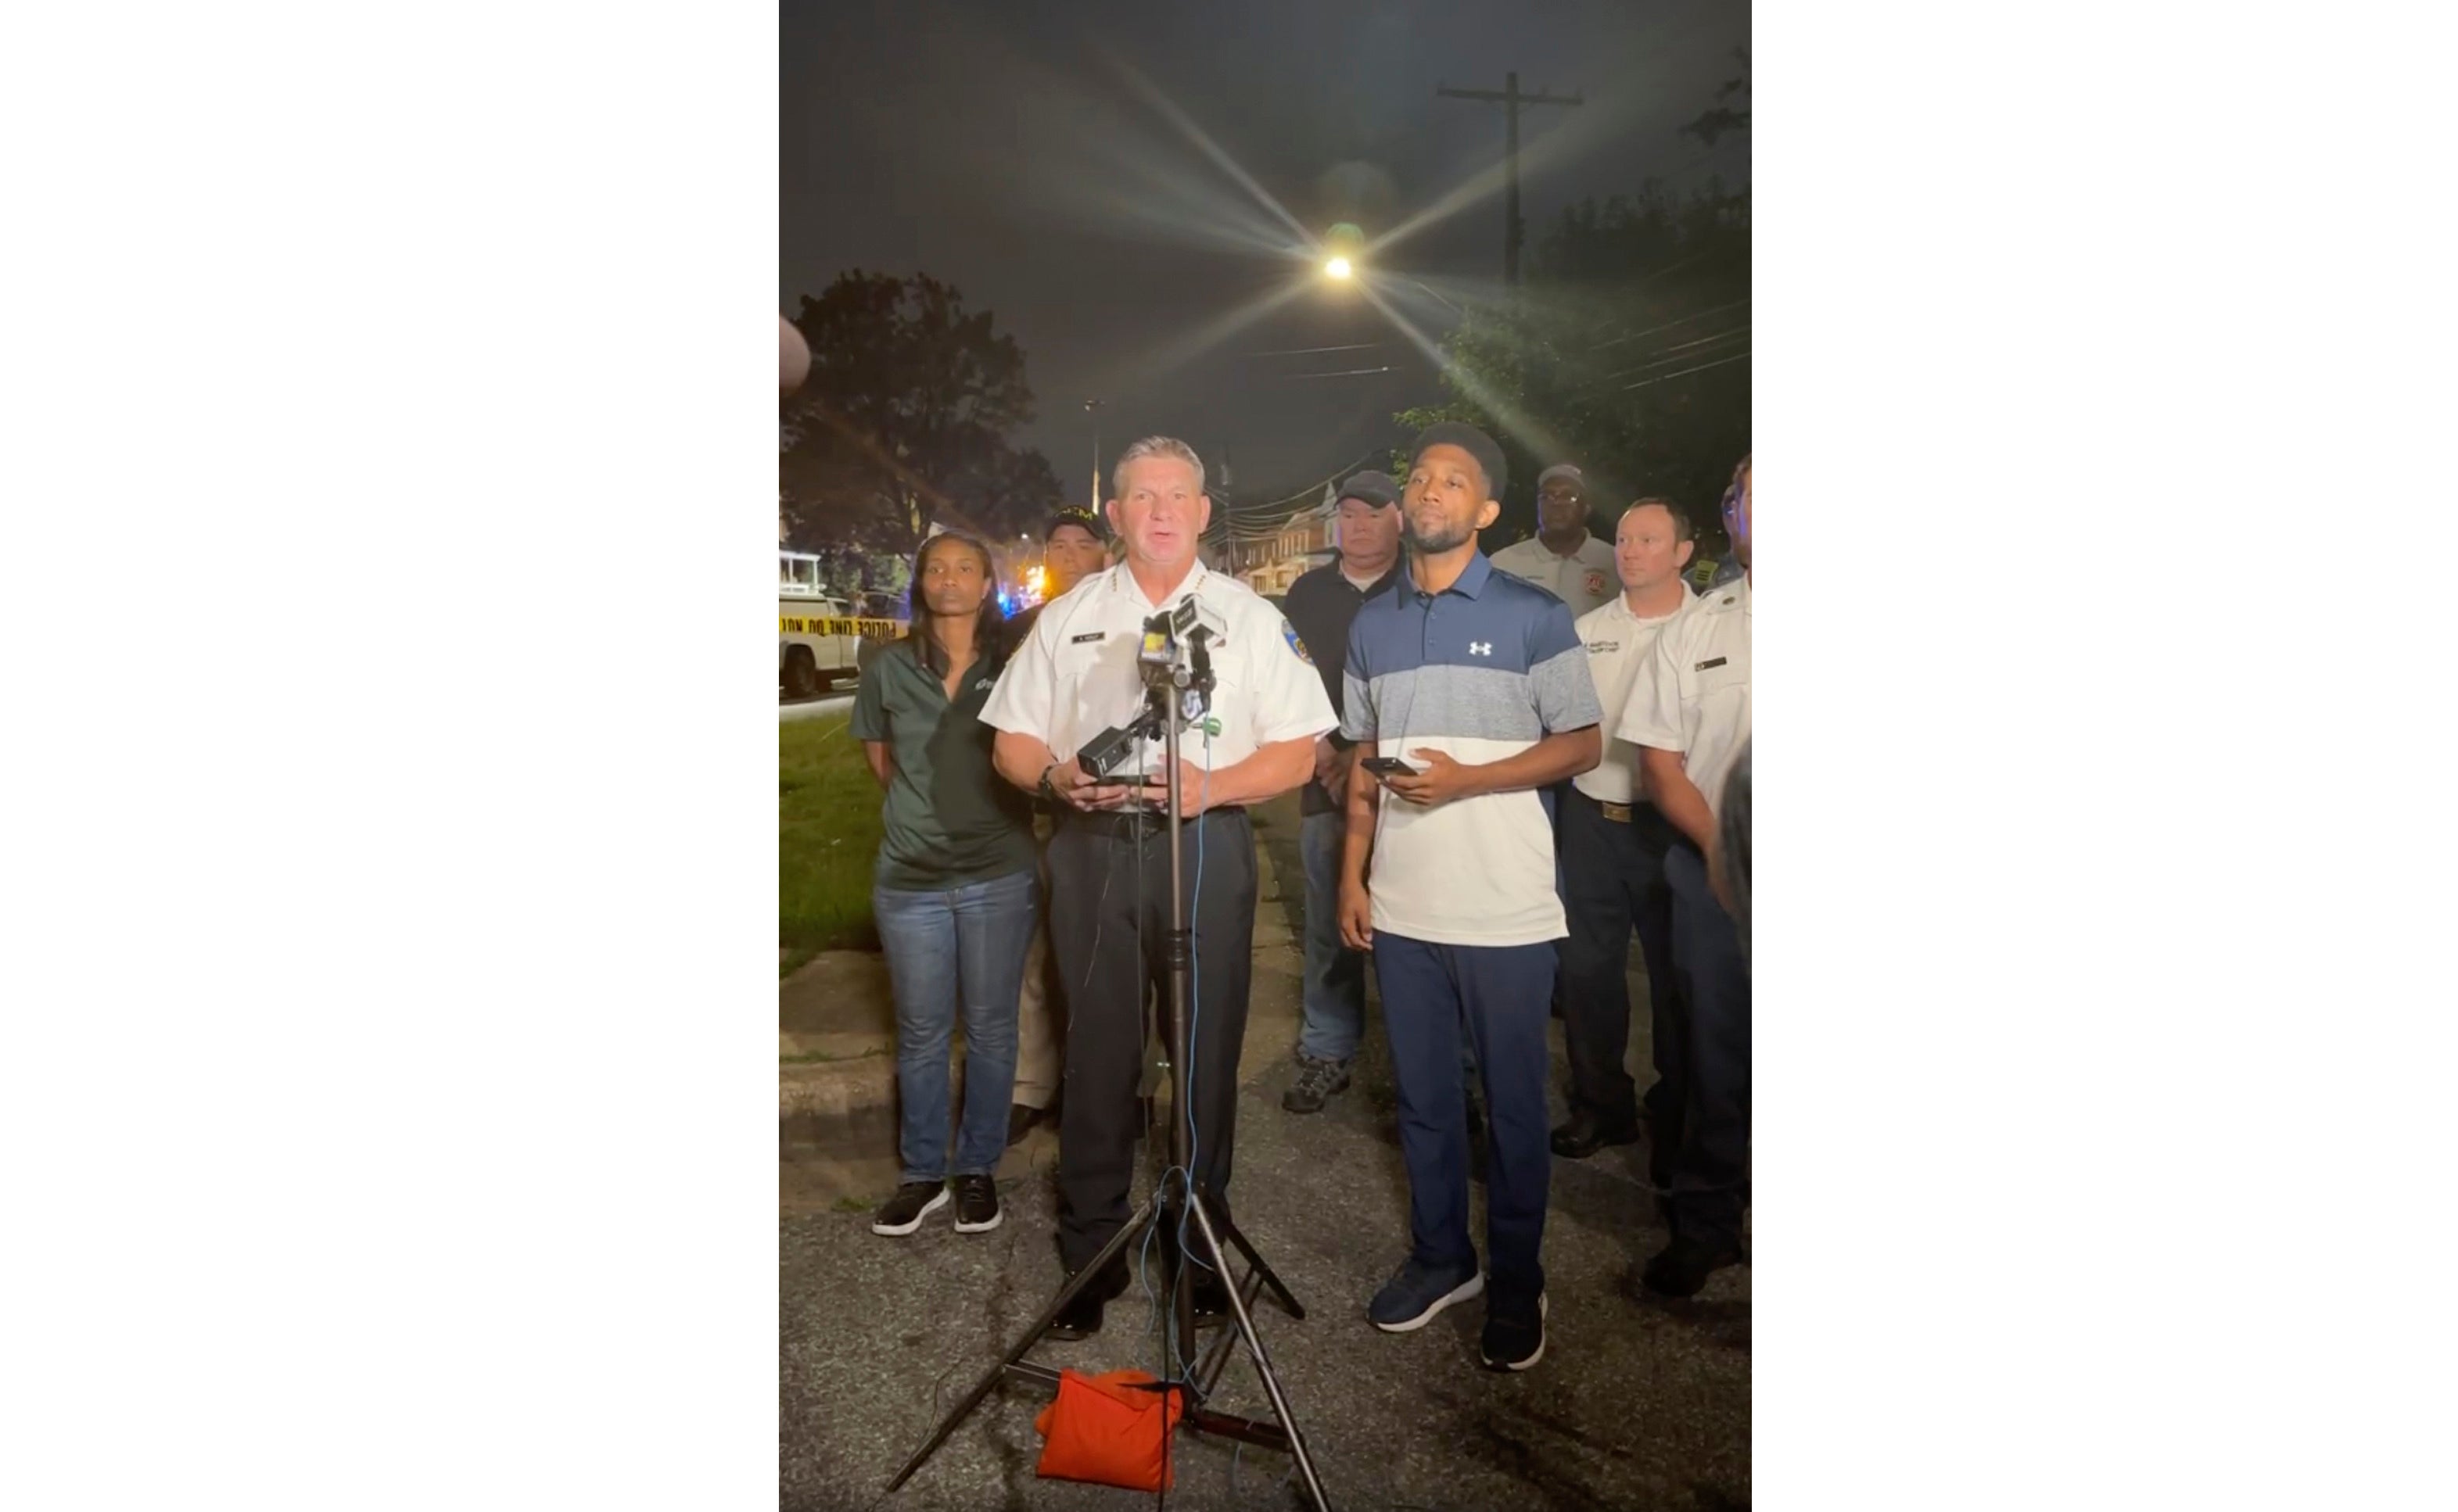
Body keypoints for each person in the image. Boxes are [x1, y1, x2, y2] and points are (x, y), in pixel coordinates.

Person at [982, 436, 1337, 1339]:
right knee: (1096, 1052)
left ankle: (1200, 1240)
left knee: (1203, 1048)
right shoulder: (1066, 616)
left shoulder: (1247, 616)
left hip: (1203, 843)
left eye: (1179, 494)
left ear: (1204, 511)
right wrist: (1056, 776)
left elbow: (1297, 749)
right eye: (1143, 495)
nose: (1162, 509)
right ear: (1117, 512)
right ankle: (1092, 1247)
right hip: (1093, 846)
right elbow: (1011, 741)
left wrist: (1209, 784)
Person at [1340, 421, 1602, 1373]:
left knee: (1516, 1107)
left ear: (1486, 510)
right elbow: (1362, 763)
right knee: (1422, 1100)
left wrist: (1469, 781)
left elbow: (1582, 744)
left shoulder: (1535, 614)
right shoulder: (1373, 624)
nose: (1430, 488)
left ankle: (1517, 1278)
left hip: (1504, 907)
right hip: (1405, 905)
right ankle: (1442, 1255)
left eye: (1453, 480)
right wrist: (1352, 873)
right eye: (1420, 476)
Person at [852, 532, 1041, 1239]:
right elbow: (882, 761)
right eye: (937, 568)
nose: (950, 579)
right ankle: (922, 1173)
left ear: (986, 584)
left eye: (965, 568)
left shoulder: (1014, 665)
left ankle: (977, 1170)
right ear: (921, 583)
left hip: (998, 873)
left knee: (993, 1029)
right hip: (911, 880)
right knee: (923, 1031)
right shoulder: (887, 666)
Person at [1621, 453, 1753, 1297]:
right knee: (1718, 1055)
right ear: (1732, 513)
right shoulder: (1695, 629)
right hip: (1717, 868)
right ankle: (1706, 1223)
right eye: (1749, 492)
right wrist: (1720, 854)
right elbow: (1660, 760)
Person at [1554, 500, 1699, 1176]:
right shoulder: (1585, 633)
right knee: (1587, 974)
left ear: (1682, 553)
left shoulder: (1708, 629)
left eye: (1648, 539)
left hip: (1670, 825)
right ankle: (1602, 1105)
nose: (1631, 550)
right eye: (1623, 539)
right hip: (1591, 818)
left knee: (1679, 979)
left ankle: (1680, 1112)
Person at [1276, 468, 1407, 1114]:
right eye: (1348, 514)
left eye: (1371, 514)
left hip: (1409, 787)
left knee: (1417, 926)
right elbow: (1285, 683)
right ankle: (1328, 1047)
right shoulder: (1306, 592)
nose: (1357, 525)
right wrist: (1322, 747)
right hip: (1324, 784)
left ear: (1399, 522)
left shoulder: (1418, 587)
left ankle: (1443, 1066)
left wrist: (1360, 750)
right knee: (1330, 922)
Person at [1003, 507, 1111, 1145]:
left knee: (1109, 960)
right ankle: (1030, 1086)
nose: (1070, 556)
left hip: (1104, 818)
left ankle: (1112, 1086)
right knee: (1035, 956)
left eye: (1083, 544)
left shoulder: (1127, 624)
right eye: (1058, 546)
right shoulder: (1018, 628)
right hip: (1032, 813)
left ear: (1104, 554)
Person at [1489, 463, 1618, 619]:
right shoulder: (1503, 564)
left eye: (1568, 496)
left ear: (1586, 508)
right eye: (1546, 496)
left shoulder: (1615, 562)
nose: (1556, 503)